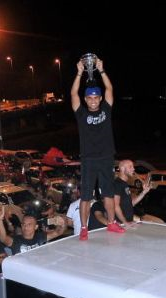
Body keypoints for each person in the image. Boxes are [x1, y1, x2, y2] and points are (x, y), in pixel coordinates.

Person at [71, 56, 124, 240]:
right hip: (88, 159)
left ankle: (111, 223)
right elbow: (73, 94)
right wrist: (79, 73)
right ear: (86, 100)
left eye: (96, 98)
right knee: (86, 196)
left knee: (108, 193)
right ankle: (83, 228)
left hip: (106, 157)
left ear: (100, 98)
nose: (93, 101)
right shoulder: (81, 113)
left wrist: (101, 70)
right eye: (90, 98)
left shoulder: (106, 110)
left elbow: (110, 88)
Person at [0, 206, 64, 255]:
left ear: (36, 227)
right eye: (24, 224)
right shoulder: (16, 240)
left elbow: (58, 232)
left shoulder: (40, 237)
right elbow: (3, 238)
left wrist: (61, 222)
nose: (25, 227)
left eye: (29, 224)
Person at [114, 159, 153, 225]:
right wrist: (125, 222)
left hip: (128, 222)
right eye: (130, 167)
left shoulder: (124, 184)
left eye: (133, 167)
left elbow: (131, 203)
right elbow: (115, 206)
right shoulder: (117, 184)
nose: (133, 169)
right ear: (122, 169)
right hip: (121, 224)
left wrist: (144, 192)